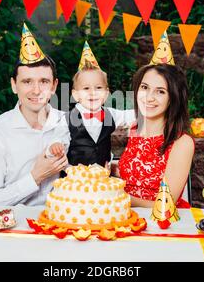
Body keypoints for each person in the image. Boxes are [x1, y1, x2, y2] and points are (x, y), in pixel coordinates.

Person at [0, 23, 69, 206]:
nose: (36, 90)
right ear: (13, 85)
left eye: (43, 81)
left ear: (54, 86)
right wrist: (35, 177)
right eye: (27, 81)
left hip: (62, 223)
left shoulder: (67, 123)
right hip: (14, 229)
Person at [117, 61, 194, 208]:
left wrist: (117, 198)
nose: (149, 97)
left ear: (173, 97)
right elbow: (136, 173)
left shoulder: (182, 142)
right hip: (127, 219)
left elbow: (166, 204)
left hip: (163, 224)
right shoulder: (135, 129)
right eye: (145, 87)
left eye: (160, 91)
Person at [47, 41, 135, 168]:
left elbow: (132, 115)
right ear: (76, 95)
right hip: (75, 178)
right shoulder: (67, 119)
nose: (93, 93)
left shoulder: (111, 114)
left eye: (98, 87)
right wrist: (54, 146)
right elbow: (58, 138)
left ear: (106, 94)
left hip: (103, 176)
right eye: (86, 88)